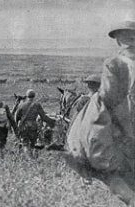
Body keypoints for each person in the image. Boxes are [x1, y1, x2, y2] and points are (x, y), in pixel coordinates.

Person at [65, 20, 135, 206]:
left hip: (122, 119)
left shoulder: (113, 62)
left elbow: (109, 96)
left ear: (118, 41)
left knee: (89, 148)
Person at [15, 89, 56, 158]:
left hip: (23, 127)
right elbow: (44, 117)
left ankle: (29, 159)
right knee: (32, 144)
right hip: (33, 127)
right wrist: (53, 121)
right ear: (34, 96)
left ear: (27, 96)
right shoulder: (37, 105)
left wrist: (17, 126)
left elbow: (17, 117)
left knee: (25, 143)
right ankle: (32, 158)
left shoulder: (21, 105)